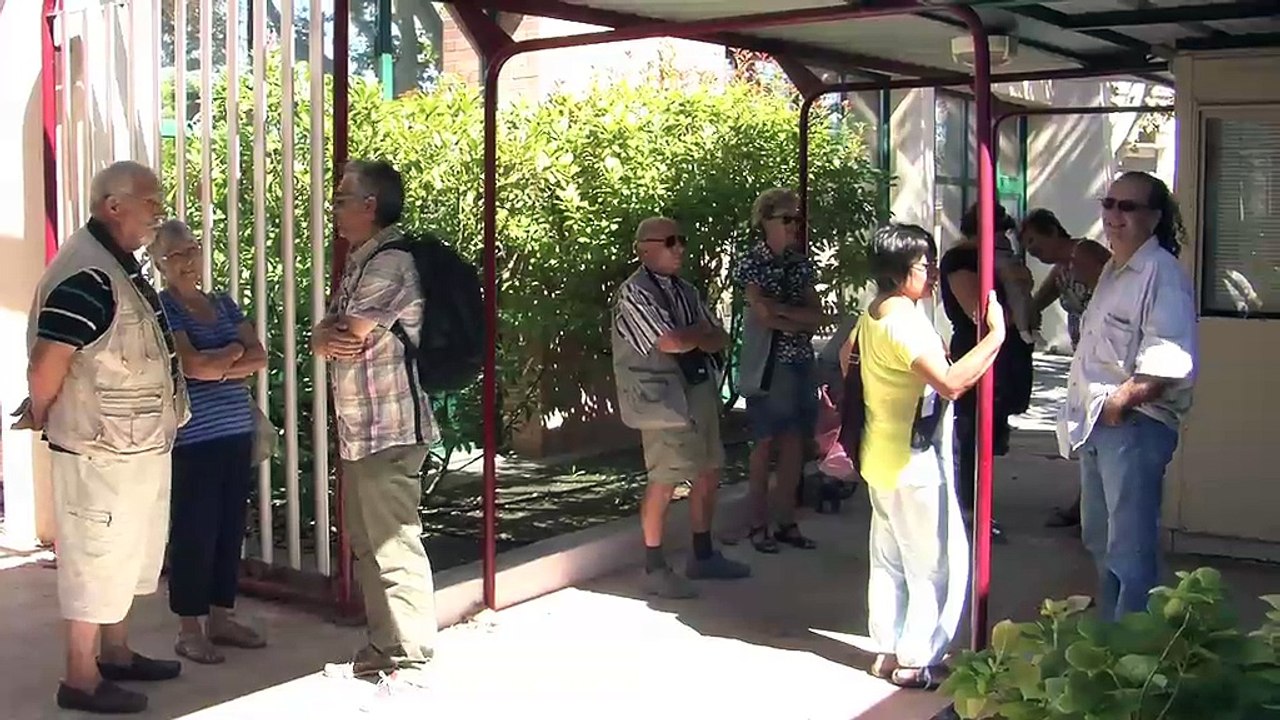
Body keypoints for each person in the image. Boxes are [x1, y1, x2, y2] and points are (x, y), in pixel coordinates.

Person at [17, 161, 188, 714]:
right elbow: (48, 363)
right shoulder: (87, 274)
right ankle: (80, 678)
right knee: (94, 562)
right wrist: (44, 412)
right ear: (113, 207)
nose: (157, 212)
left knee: (124, 557)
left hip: (131, 446)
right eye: (150, 201)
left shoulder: (115, 266)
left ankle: (115, 654)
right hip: (99, 450)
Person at [849, 223, 1005, 689]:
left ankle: (887, 649)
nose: (934, 273)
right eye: (924, 265)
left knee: (890, 559)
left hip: (879, 453)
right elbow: (952, 383)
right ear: (900, 271)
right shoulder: (905, 322)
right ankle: (917, 658)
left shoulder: (872, 314)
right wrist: (995, 337)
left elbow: (846, 358)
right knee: (934, 565)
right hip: (914, 460)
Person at [312, 160, 438, 676]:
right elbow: (331, 334)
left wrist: (325, 335)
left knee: (392, 544)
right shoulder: (362, 262)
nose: (335, 207)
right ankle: (384, 649)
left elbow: (348, 334)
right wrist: (326, 334)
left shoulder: (390, 264)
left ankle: (407, 659)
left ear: (371, 206)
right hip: (363, 431)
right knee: (369, 544)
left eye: (343, 198)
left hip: (389, 429)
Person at [1059, 171, 1196, 622]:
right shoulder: (1116, 270)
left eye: (1128, 207)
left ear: (1154, 217)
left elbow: (1169, 360)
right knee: (1101, 540)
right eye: (1109, 203)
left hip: (1135, 426)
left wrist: (1120, 405)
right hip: (1101, 425)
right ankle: (1112, 646)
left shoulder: (1161, 273)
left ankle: (1134, 654)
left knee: (1129, 549)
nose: (1114, 215)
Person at [612, 216, 751, 599]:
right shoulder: (634, 293)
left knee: (708, 469)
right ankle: (653, 565)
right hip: (661, 400)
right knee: (665, 477)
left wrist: (697, 338)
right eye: (670, 241)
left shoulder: (685, 290)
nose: (679, 248)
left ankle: (703, 555)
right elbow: (670, 341)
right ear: (644, 249)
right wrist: (697, 337)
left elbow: (717, 337)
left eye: (681, 240)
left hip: (696, 391)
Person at [149, 220, 268, 663]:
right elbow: (192, 366)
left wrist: (224, 360)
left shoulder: (221, 301)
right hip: (193, 439)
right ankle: (188, 628)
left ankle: (222, 617)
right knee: (194, 532)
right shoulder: (164, 308)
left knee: (229, 529)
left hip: (236, 432)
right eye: (176, 255)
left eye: (192, 251)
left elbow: (258, 357)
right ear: (160, 265)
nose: (187, 262)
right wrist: (230, 356)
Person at [938, 203, 1035, 543]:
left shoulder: (997, 259)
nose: (1001, 238)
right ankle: (969, 510)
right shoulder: (961, 261)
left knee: (989, 435)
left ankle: (978, 506)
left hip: (1005, 352)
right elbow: (979, 313)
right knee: (971, 434)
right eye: (997, 231)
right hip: (976, 350)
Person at [735, 188, 824, 553]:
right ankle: (758, 525)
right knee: (764, 443)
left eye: (797, 219)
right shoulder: (750, 262)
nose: (793, 226)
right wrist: (788, 316)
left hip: (801, 363)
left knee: (794, 444)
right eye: (787, 219)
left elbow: (816, 317)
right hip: (768, 367)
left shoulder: (800, 264)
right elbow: (763, 316)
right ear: (766, 221)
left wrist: (784, 314)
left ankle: (786, 521)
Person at [1019, 209, 1113, 529]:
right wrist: (1025, 315)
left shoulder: (1083, 253)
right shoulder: (1063, 267)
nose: (1031, 249)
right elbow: (1039, 300)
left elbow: (1113, 296)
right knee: (1085, 431)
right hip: (1085, 360)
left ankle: (1090, 509)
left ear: (1052, 231)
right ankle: (1088, 506)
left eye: (1033, 240)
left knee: (1096, 431)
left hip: (1106, 359)